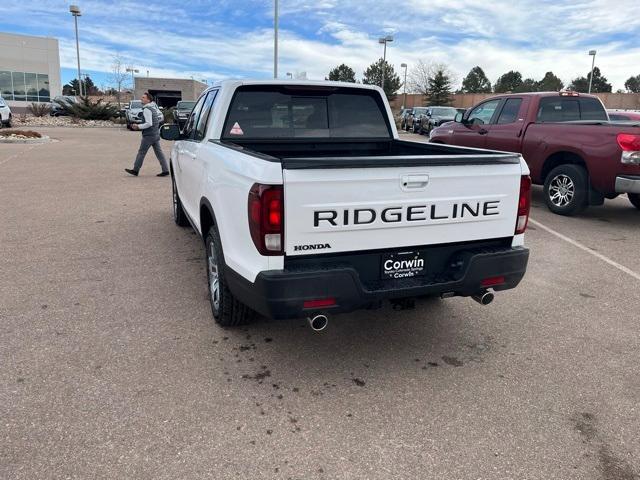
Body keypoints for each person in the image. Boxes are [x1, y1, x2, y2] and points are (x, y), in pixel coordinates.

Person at [124, 92, 169, 177]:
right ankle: (165, 170)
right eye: (142, 97)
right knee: (159, 153)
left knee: (141, 152)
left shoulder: (147, 109)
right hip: (155, 134)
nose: (142, 99)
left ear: (148, 100)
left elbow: (149, 123)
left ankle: (135, 170)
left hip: (149, 135)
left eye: (143, 98)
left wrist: (138, 126)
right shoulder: (153, 108)